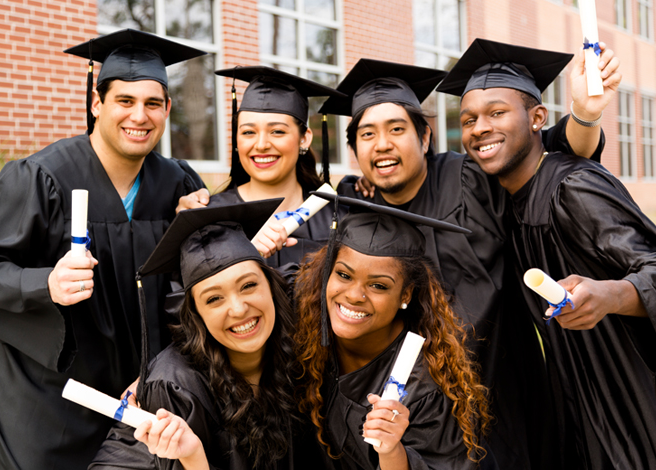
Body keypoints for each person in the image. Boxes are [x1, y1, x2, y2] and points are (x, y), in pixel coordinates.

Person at [317, 52, 619, 469]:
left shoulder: (471, 178)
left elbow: (547, 152)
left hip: (503, 377)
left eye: (396, 129)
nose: (382, 143)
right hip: (422, 402)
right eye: (367, 134)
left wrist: (585, 116)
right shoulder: (362, 217)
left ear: (424, 138)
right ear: (355, 150)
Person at [0, 29, 207, 470]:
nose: (139, 116)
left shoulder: (178, 184)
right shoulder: (41, 178)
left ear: (167, 109)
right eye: (124, 101)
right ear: (97, 104)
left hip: (140, 404)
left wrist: (195, 226)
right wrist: (45, 282)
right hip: (49, 405)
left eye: (152, 103)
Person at [439, 38, 656, 469]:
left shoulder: (572, 187)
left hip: (630, 392)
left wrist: (610, 295)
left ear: (537, 117)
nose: (479, 127)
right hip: (576, 401)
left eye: (497, 113)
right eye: (468, 119)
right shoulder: (505, 199)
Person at [89, 200, 329, 470]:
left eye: (249, 285)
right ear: (196, 315)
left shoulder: (298, 341)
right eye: (214, 299)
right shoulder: (177, 387)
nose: (238, 309)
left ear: (273, 286)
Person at [293, 193, 493, 470]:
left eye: (378, 286)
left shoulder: (424, 388)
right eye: (343, 275)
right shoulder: (306, 326)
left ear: (406, 294)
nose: (354, 295)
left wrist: (392, 451)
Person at [204, 66, 344, 267]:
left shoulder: (336, 217)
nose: (261, 145)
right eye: (248, 132)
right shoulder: (211, 216)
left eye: (277, 131)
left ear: (304, 139)